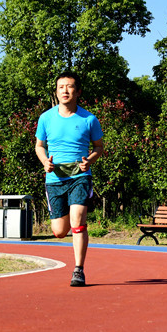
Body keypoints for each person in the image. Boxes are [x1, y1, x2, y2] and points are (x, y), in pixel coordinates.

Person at [35, 71, 104, 286]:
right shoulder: (46, 118)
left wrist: (89, 161)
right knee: (59, 231)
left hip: (80, 176)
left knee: (78, 222)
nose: (65, 90)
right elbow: (39, 146)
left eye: (70, 86)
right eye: (61, 86)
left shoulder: (89, 119)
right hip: (54, 179)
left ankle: (78, 270)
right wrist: (45, 161)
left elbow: (99, 147)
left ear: (78, 91)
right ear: (56, 92)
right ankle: (69, 240)